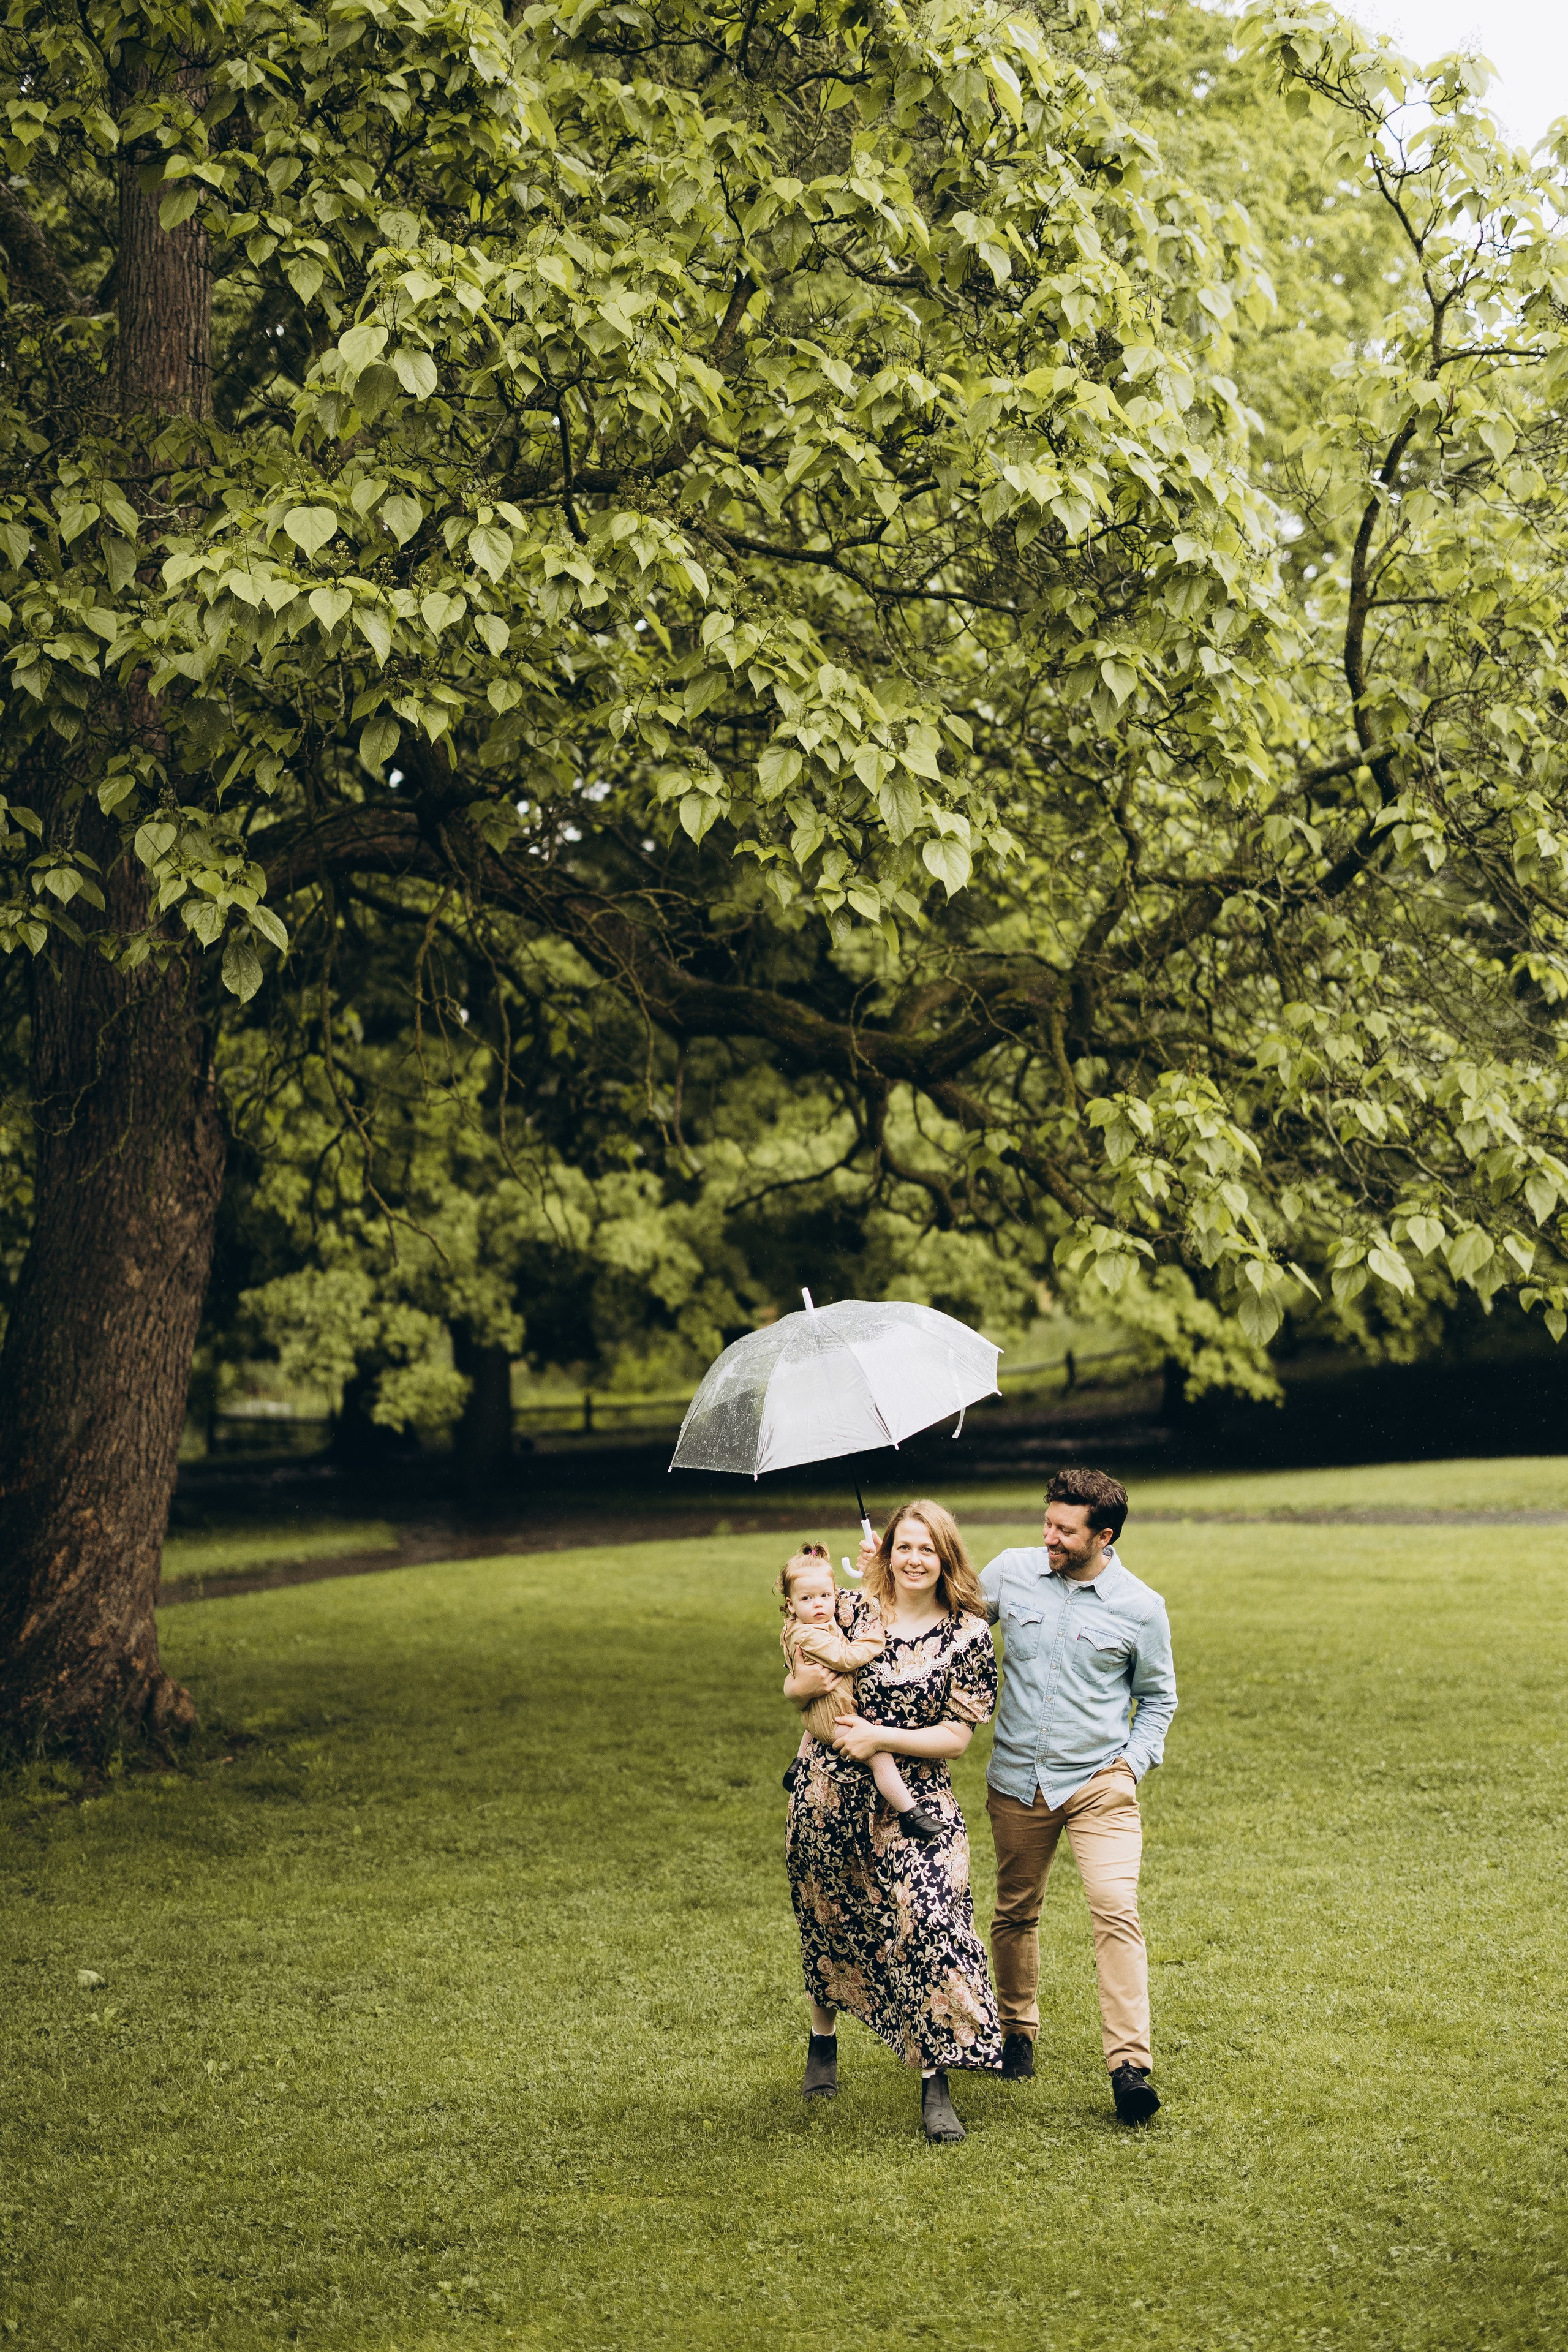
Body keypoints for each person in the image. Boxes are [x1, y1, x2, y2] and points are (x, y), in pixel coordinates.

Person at [782, 1500, 1003, 2143]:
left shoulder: (967, 1634)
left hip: (918, 1798)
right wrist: (797, 1692)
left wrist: (878, 1735)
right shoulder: (848, 1610)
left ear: (945, 1558)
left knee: (929, 1917)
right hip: (827, 1793)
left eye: (926, 1549)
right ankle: (823, 2040)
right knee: (825, 1912)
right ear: (887, 1550)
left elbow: (958, 1737)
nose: (913, 1560)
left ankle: (937, 2078)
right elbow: (797, 1674)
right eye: (903, 1546)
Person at [978, 1465, 1177, 2125]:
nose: (1049, 1537)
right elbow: (943, 1625)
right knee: (1014, 1910)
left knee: (1116, 1908)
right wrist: (878, 1579)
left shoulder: (1140, 1608)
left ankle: (1129, 2067)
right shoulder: (1010, 1571)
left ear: (1104, 1535)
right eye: (1048, 1522)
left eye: (1064, 1530)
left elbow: (1157, 1700)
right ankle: (1016, 2031)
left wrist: (1131, 1765)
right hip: (1017, 1780)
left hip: (1099, 1783)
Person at [775, 1545, 944, 1841]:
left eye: (826, 1596)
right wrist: (874, 1640)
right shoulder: (807, 1633)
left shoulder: (810, 1623)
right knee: (878, 1755)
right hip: (835, 1716)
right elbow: (845, 1658)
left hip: (822, 1710)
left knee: (818, 1721)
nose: (819, 1605)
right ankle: (909, 1813)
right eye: (807, 1599)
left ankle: (797, 1764)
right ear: (791, 1605)